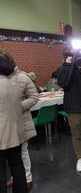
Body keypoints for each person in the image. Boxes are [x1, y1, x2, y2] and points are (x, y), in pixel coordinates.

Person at [3, 50, 39, 191]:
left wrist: (17, 106)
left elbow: (34, 98)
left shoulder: (23, 77)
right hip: (3, 123)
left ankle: (27, 178)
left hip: (20, 121)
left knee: (22, 152)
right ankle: (15, 177)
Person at [57, 56, 81, 172]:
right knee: (76, 135)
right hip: (73, 109)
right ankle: (80, 158)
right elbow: (62, 83)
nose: (80, 59)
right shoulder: (68, 70)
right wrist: (66, 66)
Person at [0, 51, 28, 193]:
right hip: (15, 133)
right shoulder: (14, 85)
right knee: (17, 165)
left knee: (1, 169)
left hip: (1, 134)